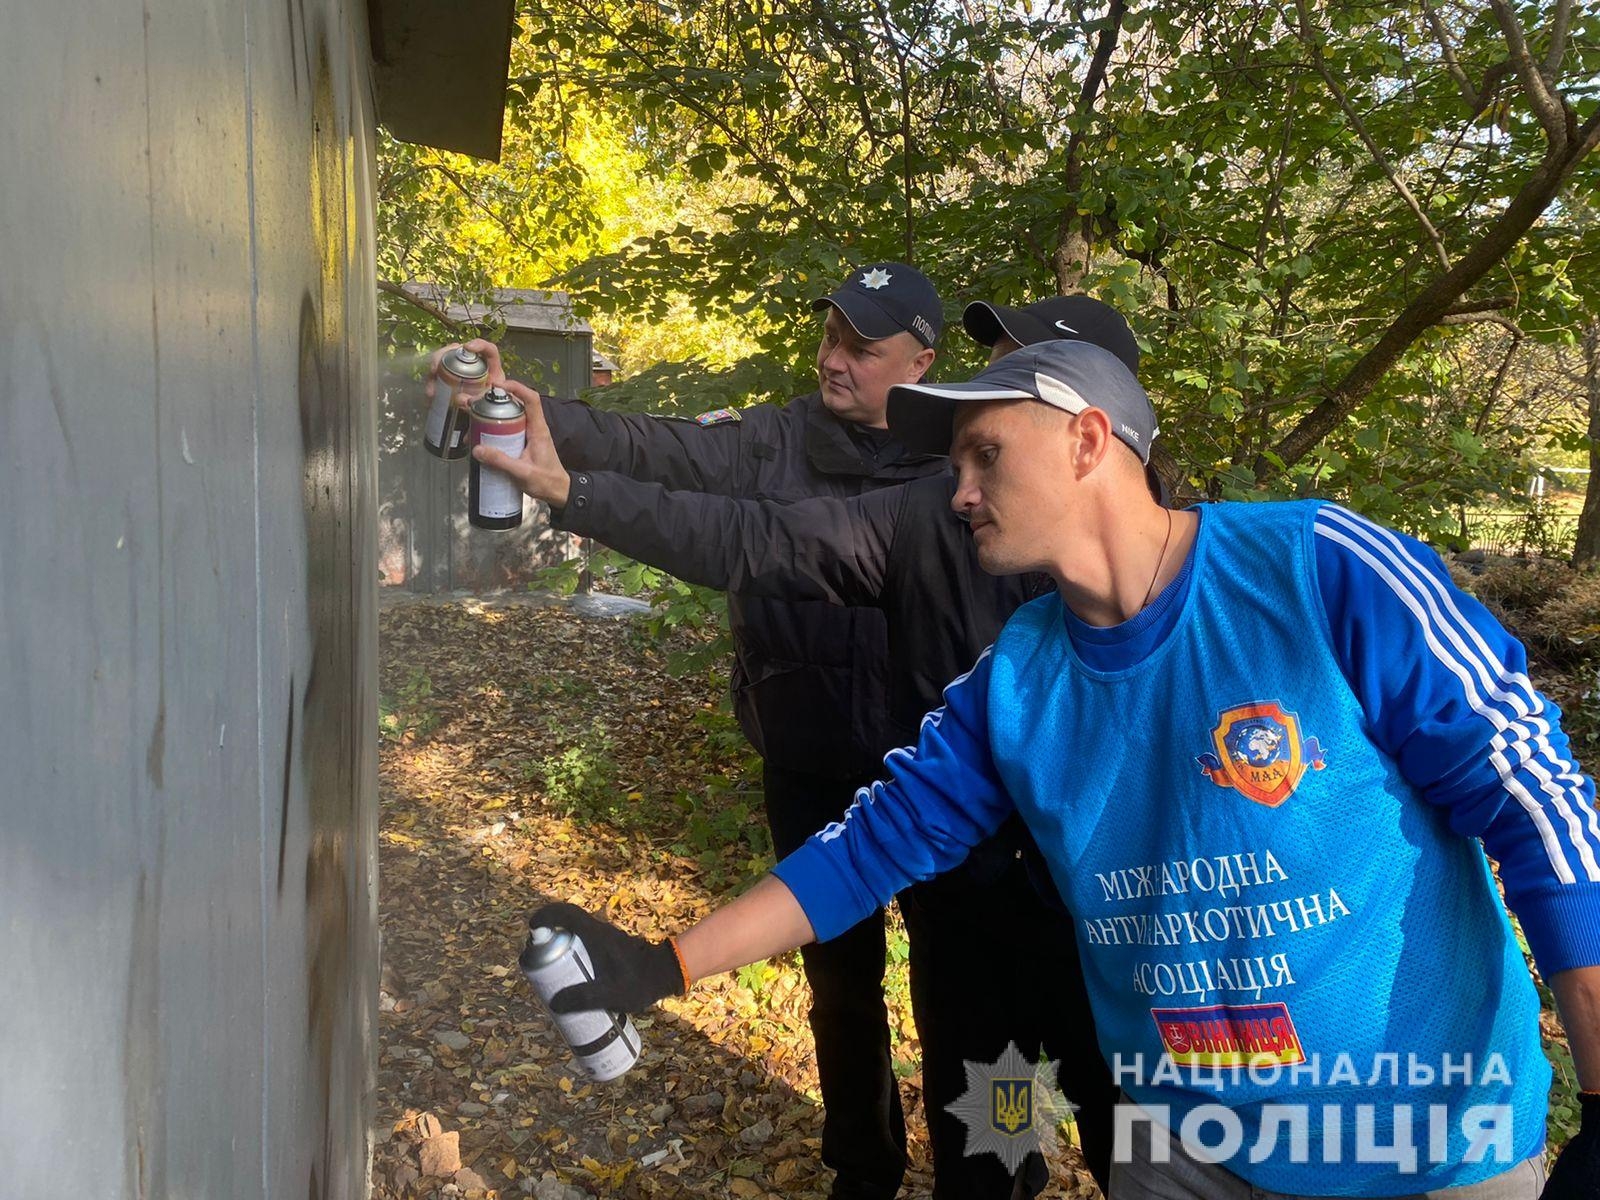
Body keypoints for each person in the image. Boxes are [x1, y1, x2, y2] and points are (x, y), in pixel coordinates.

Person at [520, 339, 1600, 1198]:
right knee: (987, 1122)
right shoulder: (1016, 679)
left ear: (1088, 440)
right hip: (1190, 1149)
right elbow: (866, 848)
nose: (957, 492)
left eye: (985, 453)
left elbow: (1535, 806)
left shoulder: (1315, 570)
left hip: (1424, 1144)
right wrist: (660, 968)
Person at [478, 296, 1141, 1197]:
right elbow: (753, 540)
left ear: (1089, 434)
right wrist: (571, 488)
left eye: (1002, 411)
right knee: (995, 1136)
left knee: (1146, 1159)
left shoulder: (1250, 589)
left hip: (1129, 961)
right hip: (977, 924)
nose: (969, 476)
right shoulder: (948, 562)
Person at [438, 265, 946, 1200]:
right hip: (808, 760)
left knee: (966, 1000)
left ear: (922, 361)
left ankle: (991, 1174)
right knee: (839, 985)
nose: (834, 361)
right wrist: (533, 413)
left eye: (861, 349)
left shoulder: (964, 463)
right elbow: (661, 451)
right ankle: (863, 1170)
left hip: (939, 776)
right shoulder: (777, 438)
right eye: (828, 337)